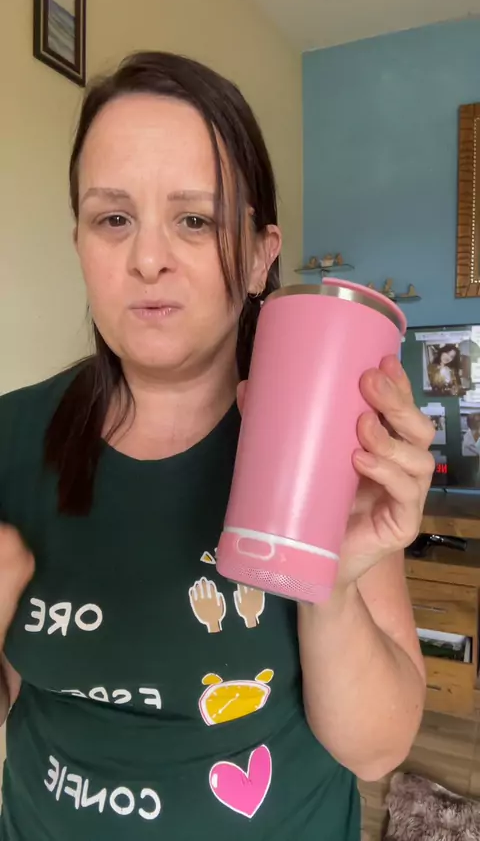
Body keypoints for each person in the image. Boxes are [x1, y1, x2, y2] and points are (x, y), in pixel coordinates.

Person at [0, 52, 435, 841]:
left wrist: (331, 583)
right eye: (113, 218)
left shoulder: (320, 439)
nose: (147, 259)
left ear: (263, 255)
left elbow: (376, 750)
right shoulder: (10, 438)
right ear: (79, 242)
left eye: (194, 220)